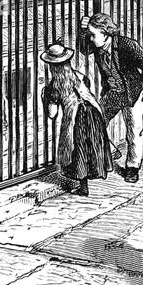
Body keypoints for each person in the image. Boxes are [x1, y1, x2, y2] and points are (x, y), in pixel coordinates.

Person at [80, 13, 143, 183]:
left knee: (134, 130)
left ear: (105, 33)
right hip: (113, 93)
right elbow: (84, 50)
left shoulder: (125, 45)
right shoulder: (97, 45)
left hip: (133, 93)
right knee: (94, 120)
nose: (91, 39)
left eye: (93, 35)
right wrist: (82, 30)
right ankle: (111, 151)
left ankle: (132, 167)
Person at [41, 39, 112, 196]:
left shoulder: (54, 86)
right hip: (93, 114)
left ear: (53, 66)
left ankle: (83, 186)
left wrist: (44, 97)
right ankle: (85, 183)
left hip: (76, 118)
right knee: (90, 146)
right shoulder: (80, 76)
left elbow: (52, 114)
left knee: (78, 149)